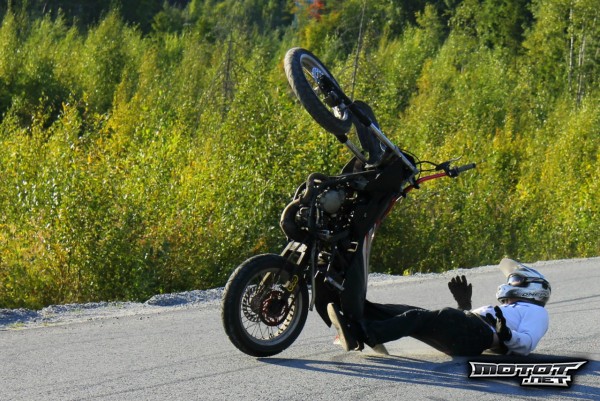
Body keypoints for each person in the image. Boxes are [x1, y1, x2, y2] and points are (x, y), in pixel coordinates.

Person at [328, 258, 551, 356]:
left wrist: (507, 334)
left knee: (416, 317)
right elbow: (467, 327)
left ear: (534, 288)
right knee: (406, 313)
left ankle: (361, 334)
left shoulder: (537, 312)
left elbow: (527, 344)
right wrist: (464, 304)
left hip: (476, 335)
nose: (509, 284)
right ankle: (359, 315)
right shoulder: (515, 309)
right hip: (470, 333)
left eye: (515, 280)